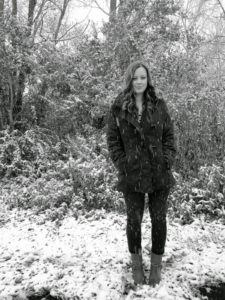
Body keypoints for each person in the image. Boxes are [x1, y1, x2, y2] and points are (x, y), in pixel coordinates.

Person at [106, 60, 176, 286]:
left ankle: (156, 266)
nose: (139, 81)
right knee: (133, 220)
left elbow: (169, 137)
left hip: (158, 173)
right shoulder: (118, 107)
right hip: (132, 174)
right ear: (129, 79)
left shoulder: (159, 105)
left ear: (148, 80)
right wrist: (122, 164)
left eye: (143, 77)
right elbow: (113, 140)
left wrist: (166, 161)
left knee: (159, 219)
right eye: (135, 77)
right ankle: (136, 265)